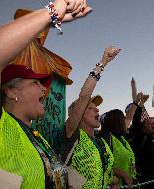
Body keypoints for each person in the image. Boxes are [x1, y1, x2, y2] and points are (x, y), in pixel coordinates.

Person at [0, 0, 92, 188]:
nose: (44, 89)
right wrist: (51, 13)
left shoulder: (37, 136)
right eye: (36, 83)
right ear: (11, 90)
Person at [60, 46, 121, 189]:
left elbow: (102, 173)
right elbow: (84, 96)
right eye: (90, 108)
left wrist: (113, 181)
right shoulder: (72, 134)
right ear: (78, 114)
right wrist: (103, 63)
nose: (97, 109)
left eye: (96, 107)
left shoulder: (101, 142)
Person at [99, 93, 142, 187]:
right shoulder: (106, 138)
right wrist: (123, 174)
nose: (126, 121)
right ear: (117, 122)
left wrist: (136, 102)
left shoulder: (121, 138)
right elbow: (101, 165)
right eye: (122, 119)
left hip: (130, 184)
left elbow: (129, 117)